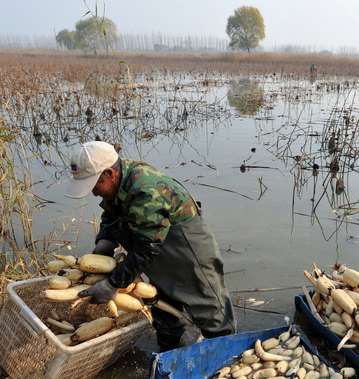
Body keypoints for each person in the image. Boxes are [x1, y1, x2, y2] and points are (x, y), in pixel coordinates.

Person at [64, 141, 236, 351]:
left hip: (186, 249)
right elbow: (111, 214)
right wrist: (105, 240)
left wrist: (113, 283)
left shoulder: (145, 190)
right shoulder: (118, 182)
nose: (93, 193)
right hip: (156, 251)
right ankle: (168, 352)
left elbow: (147, 247)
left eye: (93, 186)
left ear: (109, 173)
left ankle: (226, 356)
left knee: (210, 311)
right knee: (163, 309)